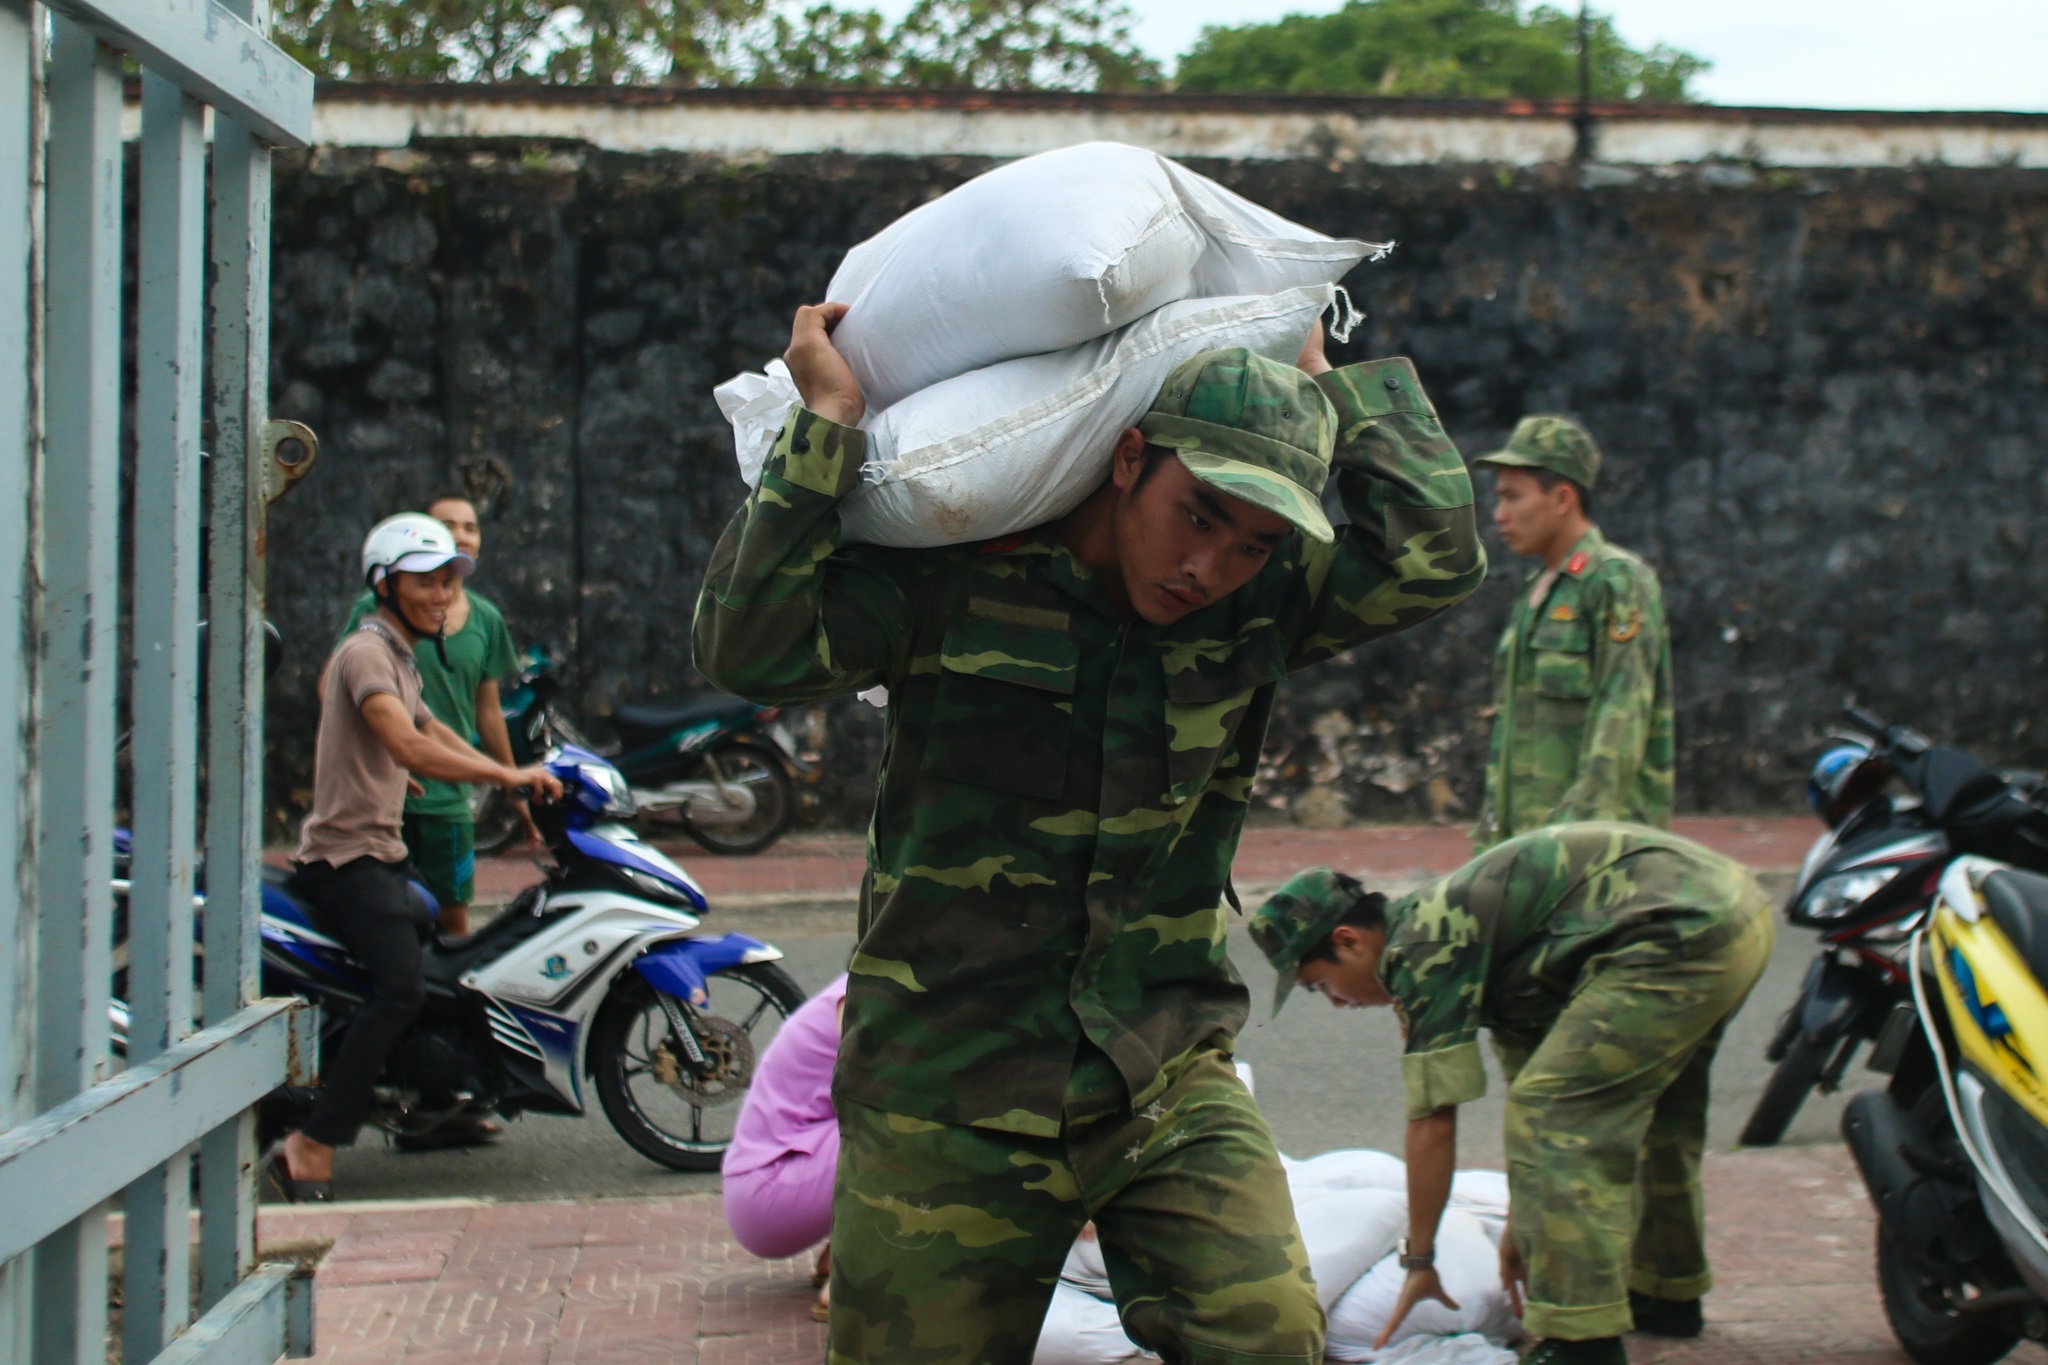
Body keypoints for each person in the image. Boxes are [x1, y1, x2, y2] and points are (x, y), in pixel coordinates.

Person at [693, 302, 1484, 1364]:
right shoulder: (958, 575)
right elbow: (748, 649)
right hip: (947, 1088)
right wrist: (824, 423)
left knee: (1262, 1335)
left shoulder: (1261, 608)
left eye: (1254, 542)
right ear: (1125, 460)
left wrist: (1330, 379)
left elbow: (1437, 555)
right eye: (1196, 514)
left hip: (1157, 1070)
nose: (1209, 566)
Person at [1249, 823, 1775, 1365]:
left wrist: (1420, 1261)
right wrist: (1526, 1224)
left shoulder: (1423, 949)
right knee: (1656, 1117)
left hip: (1676, 933)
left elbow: (1434, 1118)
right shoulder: (1473, 942)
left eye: (1319, 985)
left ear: (1349, 941)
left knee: (1555, 1117)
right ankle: (1667, 1293)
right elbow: (1531, 1077)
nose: (1336, 1003)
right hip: (1732, 914)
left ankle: (1582, 1342)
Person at [270, 513, 561, 1202]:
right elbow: (406, 744)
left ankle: (432, 1110)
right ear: (384, 583)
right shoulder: (366, 653)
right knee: (399, 990)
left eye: (444, 582)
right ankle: (311, 1143)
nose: (438, 594)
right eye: (423, 582)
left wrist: (511, 768)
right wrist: (509, 779)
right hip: (348, 860)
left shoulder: (396, 653)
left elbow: (439, 731)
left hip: (383, 853)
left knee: (436, 976)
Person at [332, 491, 530, 939]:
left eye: (470, 527)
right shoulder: (375, 624)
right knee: (385, 925)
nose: (460, 535)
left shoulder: (484, 619)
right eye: (447, 527)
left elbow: (481, 712)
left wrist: (509, 780)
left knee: (451, 920)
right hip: (388, 798)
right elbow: (340, 690)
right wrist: (386, 755)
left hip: (449, 796)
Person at [1471, 416, 1672, 850]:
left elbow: (1620, 722)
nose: (1498, 515)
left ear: (1562, 498)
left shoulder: (1615, 581)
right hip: (1525, 848)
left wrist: (1577, 840)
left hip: (1587, 855)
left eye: (1512, 497)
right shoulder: (1538, 593)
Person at [722, 973, 850, 1322]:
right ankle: (856, 1278)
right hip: (768, 1190)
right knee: (910, 1125)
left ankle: (841, 1253)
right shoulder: (857, 997)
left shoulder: (848, 987)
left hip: (763, 1185)